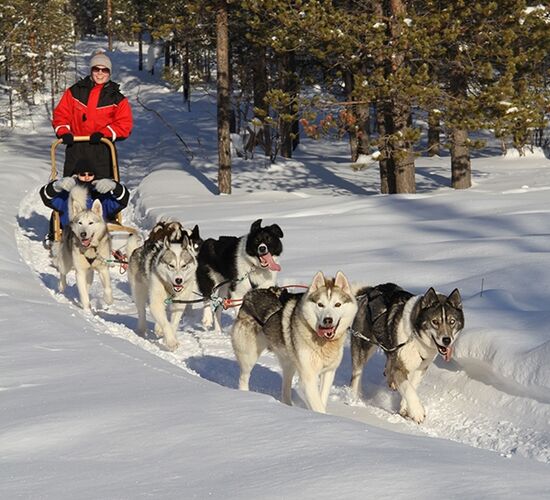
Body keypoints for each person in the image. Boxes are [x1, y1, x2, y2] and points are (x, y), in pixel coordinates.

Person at [52, 49, 133, 180]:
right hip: (76, 147)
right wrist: (64, 132)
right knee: (72, 186)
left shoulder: (117, 99)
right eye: (96, 69)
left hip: (102, 148)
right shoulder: (75, 92)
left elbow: (124, 124)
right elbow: (61, 114)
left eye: (104, 70)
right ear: (91, 71)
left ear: (109, 73)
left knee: (102, 187)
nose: (100, 73)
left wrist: (104, 134)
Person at [40, 159, 130, 245]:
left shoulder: (102, 196)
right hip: (72, 237)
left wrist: (115, 186)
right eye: (83, 174)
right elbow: (46, 197)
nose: (86, 177)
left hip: (98, 238)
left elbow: (122, 201)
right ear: (77, 176)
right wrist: (56, 186)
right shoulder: (67, 196)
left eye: (90, 174)